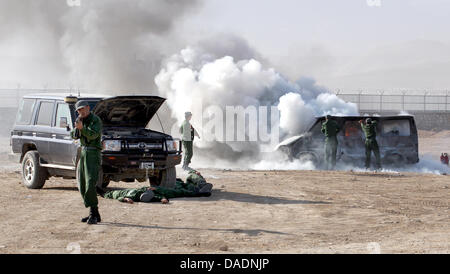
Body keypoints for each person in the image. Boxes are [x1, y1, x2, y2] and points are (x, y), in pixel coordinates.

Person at [70, 100, 103, 225]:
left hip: (93, 153)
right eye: (79, 110)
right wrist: (77, 129)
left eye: (83, 109)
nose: (81, 112)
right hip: (83, 153)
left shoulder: (95, 120)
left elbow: (93, 135)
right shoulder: (80, 120)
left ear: (88, 108)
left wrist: (82, 128)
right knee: (83, 184)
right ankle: (94, 213)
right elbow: (73, 135)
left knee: (90, 183)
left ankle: (93, 213)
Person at [102, 176, 212, 204]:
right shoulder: (144, 196)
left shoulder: (119, 194)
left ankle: (198, 189)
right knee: (178, 191)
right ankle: (199, 191)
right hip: (157, 190)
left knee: (178, 189)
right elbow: (155, 197)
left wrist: (126, 199)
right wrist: (163, 199)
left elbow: (118, 197)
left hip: (152, 189)